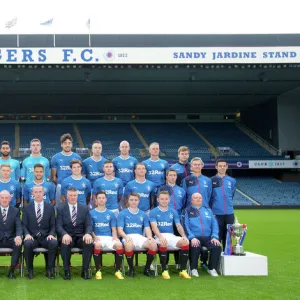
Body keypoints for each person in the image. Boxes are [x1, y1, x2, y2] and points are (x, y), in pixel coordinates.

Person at [150, 191, 191, 279]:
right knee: (163, 242)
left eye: (166, 199)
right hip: (159, 236)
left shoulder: (173, 211)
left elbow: (178, 225)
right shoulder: (153, 212)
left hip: (171, 236)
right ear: (158, 200)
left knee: (185, 242)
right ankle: (164, 270)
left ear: (169, 200)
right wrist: (160, 237)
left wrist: (183, 236)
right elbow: (154, 227)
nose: (164, 201)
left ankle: (183, 270)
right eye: (162, 199)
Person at [56, 188, 93, 280]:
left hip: (81, 236)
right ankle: (67, 271)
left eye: (74, 195)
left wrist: (88, 233)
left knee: (88, 243)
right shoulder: (60, 208)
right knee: (65, 243)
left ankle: (85, 271)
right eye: (70, 195)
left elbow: (88, 224)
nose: (73, 197)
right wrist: (64, 234)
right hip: (67, 236)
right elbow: (58, 226)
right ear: (67, 196)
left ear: (77, 196)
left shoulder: (84, 208)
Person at [117, 192, 157, 278]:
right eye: (131, 200)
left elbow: (147, 228)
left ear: (139, 201)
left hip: (139, 237)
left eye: (135, 200)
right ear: (128, 201)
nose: (133, 202)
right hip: (128, 236)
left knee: (153, 245)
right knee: (128, 245)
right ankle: (131, 269)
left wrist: (150, 237)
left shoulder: (143, 214)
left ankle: (147, 269)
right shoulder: (122, 213)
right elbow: (120, 230)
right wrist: (126, 237)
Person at [22, 185, 58, 280]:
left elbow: (53, 225)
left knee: (53, 242)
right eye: (36, 192)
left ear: (43, 193)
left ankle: (49, 270)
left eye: (40, 192)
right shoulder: (26, 207)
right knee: (27, 243)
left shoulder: (50, 207)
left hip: (46, 237)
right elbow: (24, 225)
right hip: (32, 237)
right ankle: (30, 270)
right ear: (32, 194)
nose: (38, 194)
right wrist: (27, 234)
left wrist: (51, 234)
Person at [183, 193, 221, 277]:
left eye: (200, 198)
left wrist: (214, 237)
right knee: (195, 246)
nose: (198, 199)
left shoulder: (208, 210)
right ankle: (194, 269)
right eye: (196, 198)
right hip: (194, 237)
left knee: (217, 246)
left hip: (208, 237)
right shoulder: (187, 211)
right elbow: (185, 226)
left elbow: (214, 224)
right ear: (191, 200)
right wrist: (191, 237)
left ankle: (211, 268)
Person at [90, 191, 124, 280]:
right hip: (97, 237)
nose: (101, 200)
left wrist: (115, 237)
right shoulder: (91, 213)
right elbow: (90, 228)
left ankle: (117, 270)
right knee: (97, 245)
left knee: (119, 245)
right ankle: (98, 270)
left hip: (109, 237)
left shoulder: (111, 214)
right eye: (99, 198)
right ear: (96, 200)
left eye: (103, 198)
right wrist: (94, 237)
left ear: (106, 199)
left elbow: (113, 229)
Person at [210, 159, 236, 248]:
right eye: (220, 166)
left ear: (227, 167)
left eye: (224, 166)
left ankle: (227, 258)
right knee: (217, 237)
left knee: (228, 238)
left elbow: (231, 195)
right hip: (216, 213)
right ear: (216, 167)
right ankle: (216, 260)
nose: (222, 168)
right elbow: (210, 196)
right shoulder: (211, 180)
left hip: (229, 213)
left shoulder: (232, 181)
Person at [51, 133, 82, 206]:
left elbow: (81, 174)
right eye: (65, 143)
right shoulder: (55, 158)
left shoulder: (77, 157)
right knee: (60, 208)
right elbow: (54, 177)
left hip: (75, 187)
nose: (67, 145)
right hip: (61, 187)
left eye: (69, 143)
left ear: (72, 144)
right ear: (61, 144)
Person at [0, 190, 22, 279]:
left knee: (18, 244)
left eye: (6, 198)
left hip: (10, 239)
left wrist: (18, 236)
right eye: (2, 198)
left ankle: (11, 271)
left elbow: (18, 226)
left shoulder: (15, 210)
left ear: (10, 199)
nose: (4, 200)